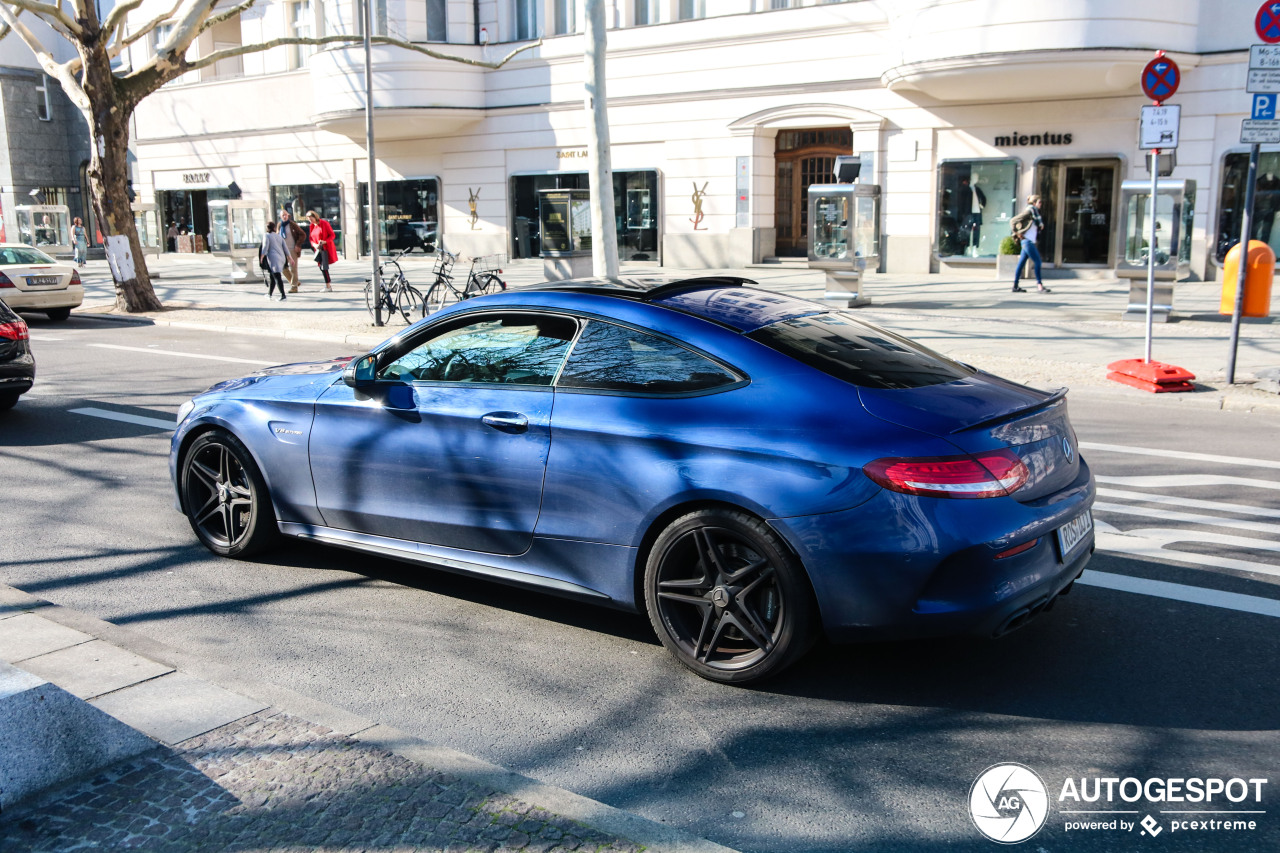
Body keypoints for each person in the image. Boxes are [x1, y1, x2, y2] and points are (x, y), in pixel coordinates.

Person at [1009, 194, 1051, 294]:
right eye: (1039, 202)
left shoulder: (1035, 214)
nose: (1041, 204)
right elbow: (1013, 220)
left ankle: (1015, 286)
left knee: (1021, 263)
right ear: (1034, 202)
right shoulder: (1029, 211)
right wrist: (1017, 233)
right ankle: (1039, 286)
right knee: (1038, 262)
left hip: (1029, 241)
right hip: (1027, 241)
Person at [306, 210, 337, 292]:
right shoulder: (312, 226)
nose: (310, 220)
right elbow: (311, 239)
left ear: (315, 217)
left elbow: (332, 235)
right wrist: (314, 245)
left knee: (324, 267)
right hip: (318, 249)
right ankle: (328, 285)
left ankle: (328, 286)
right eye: (308, 219)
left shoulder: (324, 223)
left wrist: (325, 241)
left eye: (311, 218)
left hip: (325, 249)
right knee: (321, 267)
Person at [278, 209, 308, 292]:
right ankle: (295, 281)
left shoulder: (292, 225)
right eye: (283, 215)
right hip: (282, 250)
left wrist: (298, 244)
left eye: (286, 215)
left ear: (288, 216)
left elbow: (303, 234)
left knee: (293, 268)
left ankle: (294, 287)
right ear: (280, 216)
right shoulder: (279, 225)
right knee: (283, 268)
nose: (284, 216)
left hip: (292, 249)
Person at [259, 221, 288, 301]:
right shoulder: (279, 236)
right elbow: (285, 248)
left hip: (273, 259)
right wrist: (290, 258)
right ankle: (269, 294)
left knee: (277, 276)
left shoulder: (266, 235)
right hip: (281, 258)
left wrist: (262, 256)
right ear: (274, 228)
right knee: (273, 276)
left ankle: (283, 295)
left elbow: (265, 247)